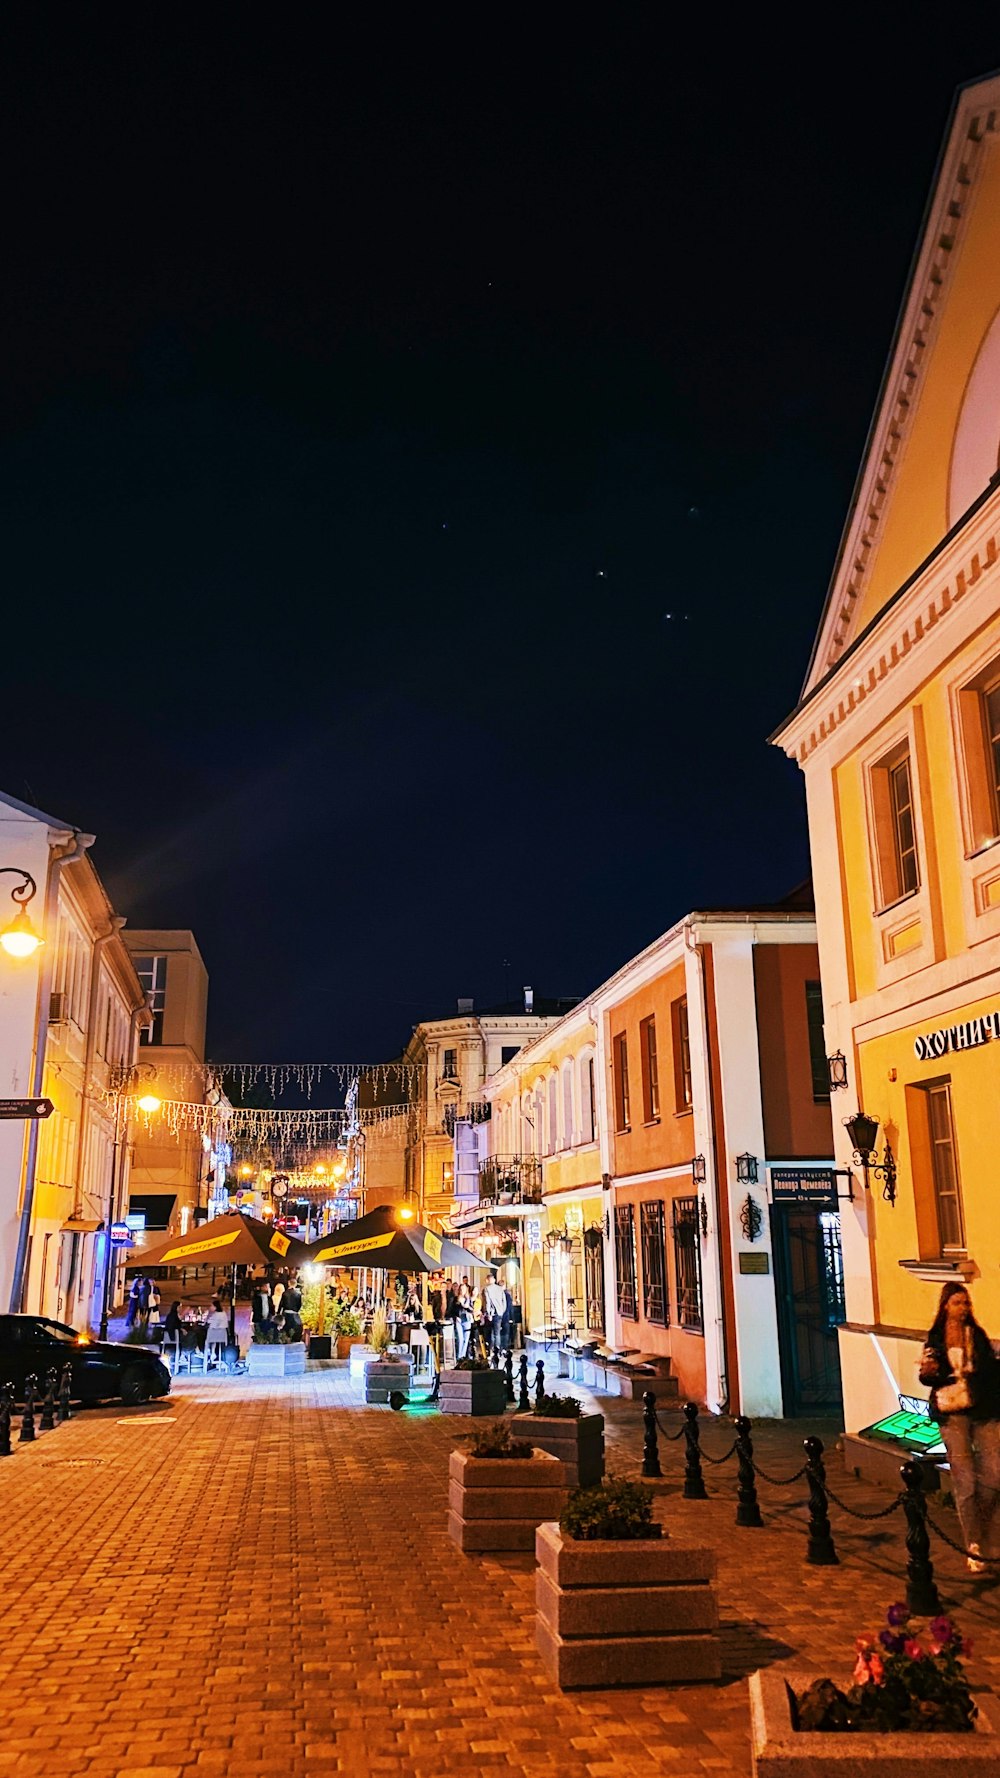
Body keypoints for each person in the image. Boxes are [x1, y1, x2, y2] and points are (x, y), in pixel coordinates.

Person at [919, 1282, 1000, 1572]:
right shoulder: (936, 1339)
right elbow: (926, 1377)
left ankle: (991, 1536)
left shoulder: (975, 1335)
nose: (963, 1309)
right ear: (945, 1307)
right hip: (952, 1413)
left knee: (994, 1474)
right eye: (956, 1303)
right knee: (965, 1481)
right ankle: (974, 1544)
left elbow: (991, 1371)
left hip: (982, 1409)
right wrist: (933, 1371)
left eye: (965, 1303)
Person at [484, 1272, 507, 1357]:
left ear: (487, 1280)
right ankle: (498, 1351)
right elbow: (504, 1301)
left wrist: (488, 1313)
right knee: (497, 1333)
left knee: (491, 1333)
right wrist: (502, 1310)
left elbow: (487, 1302)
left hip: (492, 1313)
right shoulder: (500, 1289)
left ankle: (491, 1351)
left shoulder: (487, 1289)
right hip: (500, 1313)